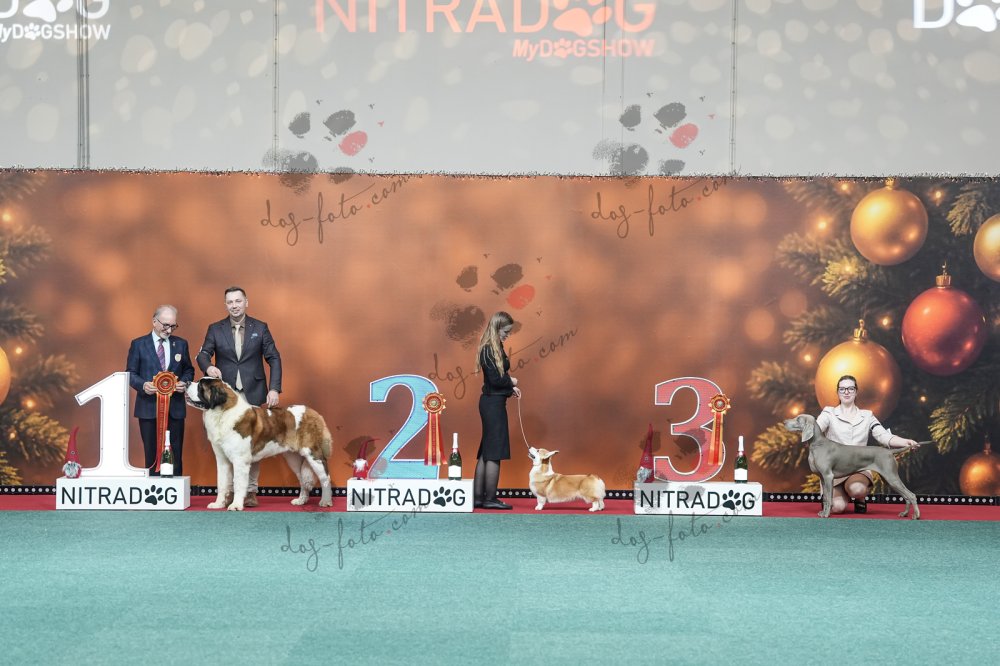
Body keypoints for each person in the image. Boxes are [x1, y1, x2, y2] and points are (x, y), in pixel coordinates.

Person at [197, 286, 282, 507]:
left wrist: (274, 388)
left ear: (246, 302)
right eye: (230, 302)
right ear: (225, 305)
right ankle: (225, 493)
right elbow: (203, 354)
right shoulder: (215, 329)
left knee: (249, 444)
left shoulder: (260, 327)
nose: (234, 305)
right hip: (225, 397)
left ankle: (250, 491)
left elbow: (274, 358)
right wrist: (208, 367)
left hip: (253, 392)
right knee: (222, 444)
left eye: (238, 301)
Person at [816, 375, 919, 514]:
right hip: (835, 472)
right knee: (837, 508)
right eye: (842, 389)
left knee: (857, 489)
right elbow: (816, 429)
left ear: (856, 392)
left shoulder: (867, 416)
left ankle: (859, 498)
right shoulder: (829, 413)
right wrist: (810, 429)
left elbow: (883, 436)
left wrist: (905, 442)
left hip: (858, 468)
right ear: (838, 392)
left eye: (850, 388)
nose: (846, 392)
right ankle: (840, 496)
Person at [126, 305, 195, 475]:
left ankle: (175, 489)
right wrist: (143, 385)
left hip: (175, 409)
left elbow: (189, 370)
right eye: (165, 325)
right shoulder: (138, 344)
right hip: (148, 409)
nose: (169, 330)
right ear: (154, 322)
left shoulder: (181, 344)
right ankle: (153, 489)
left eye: (173, 326)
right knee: (151, 455)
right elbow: (130, 374)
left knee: (175, 454)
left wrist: (184, 382)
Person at [473, 311, 520, 510]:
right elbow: (496, 379)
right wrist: (511, 382)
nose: (508, 335)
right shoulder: (489, 349)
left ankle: (478, 498)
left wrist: (509, 389)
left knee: (487, 451)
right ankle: (490, 498)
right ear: (497, 328)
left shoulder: (492, 346)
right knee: (494, 451)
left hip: (492, 402)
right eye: (506, 331)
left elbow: (496, 379)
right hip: (492, 405)